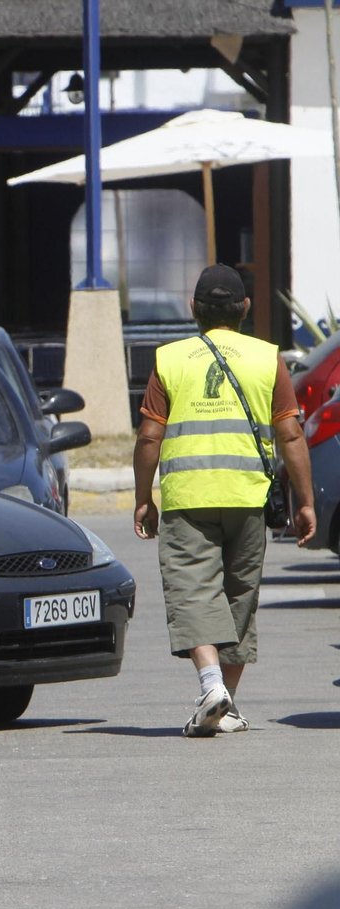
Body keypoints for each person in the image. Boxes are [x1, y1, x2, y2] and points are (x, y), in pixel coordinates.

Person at [133, 264, 316, 737]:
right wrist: (305, 501)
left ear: (191, 308)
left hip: (188, 498)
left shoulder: (170, 359)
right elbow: (291, 432)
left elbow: (150, 436)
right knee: (239, 595)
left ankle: (213, 687)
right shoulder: (265, 357)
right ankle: (225, 704)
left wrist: (142, 497)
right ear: (245, 309)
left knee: (194, 589)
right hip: (247, 497)